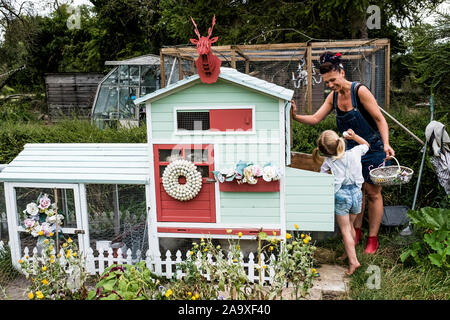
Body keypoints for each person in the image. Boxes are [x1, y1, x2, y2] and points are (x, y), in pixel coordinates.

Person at [291, 51, 395, 254]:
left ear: (341, 72)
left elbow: (380, 119)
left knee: (373, 193)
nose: (330, 85)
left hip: (373, 149)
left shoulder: (360, 91)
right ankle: (357, 232)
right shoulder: (333, 97)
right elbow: (315, 119)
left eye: (332, 80)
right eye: (326, 82)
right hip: (349, 152)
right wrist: (295, 116)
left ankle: (372, 239)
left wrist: (386, 144)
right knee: (357, 190)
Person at [313, 129, 368, 275]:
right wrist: (355, 136)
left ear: (326, 151)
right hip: (357, 193)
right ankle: (348, 254)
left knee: (344, 230)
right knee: (350, 226)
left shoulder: (329, 160)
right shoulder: (355, 152)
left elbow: (322, 174)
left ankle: (353, 262)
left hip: (341, 195)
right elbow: (366, 145)